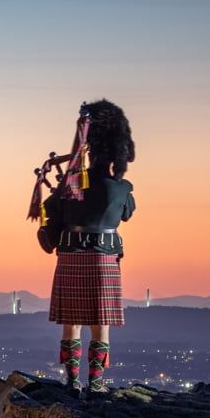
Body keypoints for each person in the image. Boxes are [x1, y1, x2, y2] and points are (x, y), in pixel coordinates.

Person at [44, 100, 135, 395]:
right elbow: (126, 214)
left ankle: (72, 383)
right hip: (103, 259)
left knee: (71, 324)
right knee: (100, 325)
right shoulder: (121, 188)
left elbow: (51, 209)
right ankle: (95, 385)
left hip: (70, 256)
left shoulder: (71, 184)